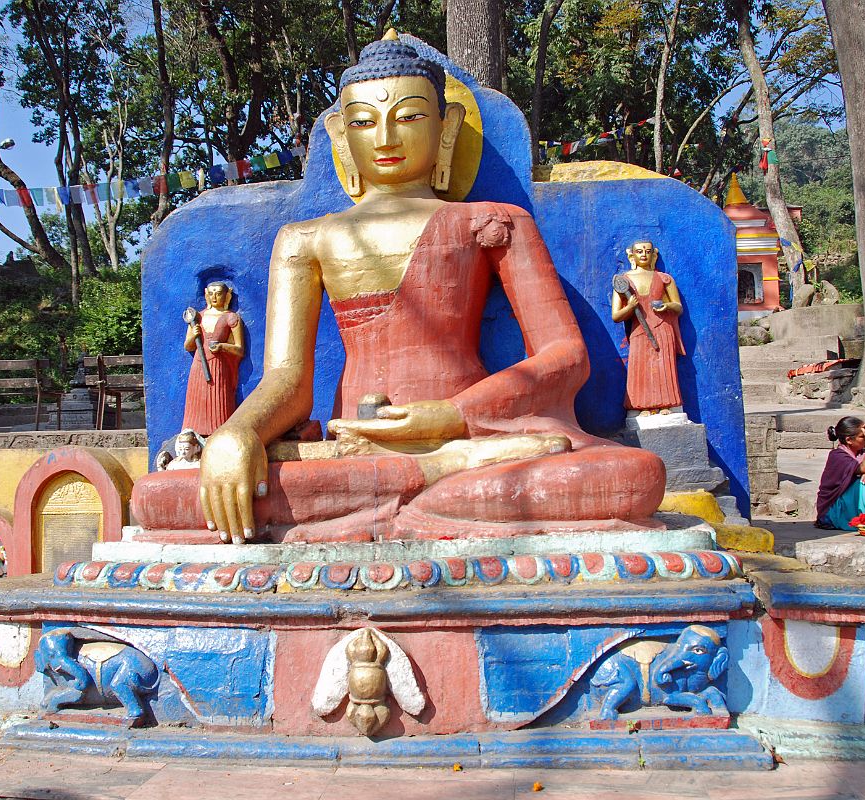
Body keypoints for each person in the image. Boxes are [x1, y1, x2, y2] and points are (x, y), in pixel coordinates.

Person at [130, 31, 665, 544]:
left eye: (409, 117)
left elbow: (565, 355)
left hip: (474, 435)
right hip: (358, 448)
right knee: (162, 498)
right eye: (364, 123)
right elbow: (288, 378)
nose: (386, 138)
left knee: (630, 477)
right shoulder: (306, 239)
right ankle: (432, 483)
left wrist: (454, 415)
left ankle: (428, 478)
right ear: (343, 135)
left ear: (446, 126)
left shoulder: (494, 220)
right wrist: (238, 432)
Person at [610, 241, 684, 414]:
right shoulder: (623, 281)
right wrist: (629, 307)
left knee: (663, 368)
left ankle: (667, 403)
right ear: (632, 255)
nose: (644, 254)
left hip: (662, 328)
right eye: (639, 251)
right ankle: (643, 405)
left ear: (654, 255)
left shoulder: (664, 279)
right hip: (639, 331)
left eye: (648, 251)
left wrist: (667, 306)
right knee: (640, 369)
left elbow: (678, 307)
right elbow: (616, 316)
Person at [182, 281, 245, 437]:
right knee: (197, 405)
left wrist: (223, 347)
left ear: (226, 295)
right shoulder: (197, 317)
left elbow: (240, 349)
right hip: (199, 367)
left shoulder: (231, 318)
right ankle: (193, 439)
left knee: (220, 404)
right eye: (211, 293)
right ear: (206, 295)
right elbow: (188, 346)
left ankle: (219, 437)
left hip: (218, 368)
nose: (215, 297)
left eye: (218, 293)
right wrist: (194, 335)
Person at [815, 416, 865, 530]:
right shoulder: (837, 456)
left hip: (855, 506)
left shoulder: (863, 455)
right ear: (849, 440)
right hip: (833, 511)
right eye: (862, 437)